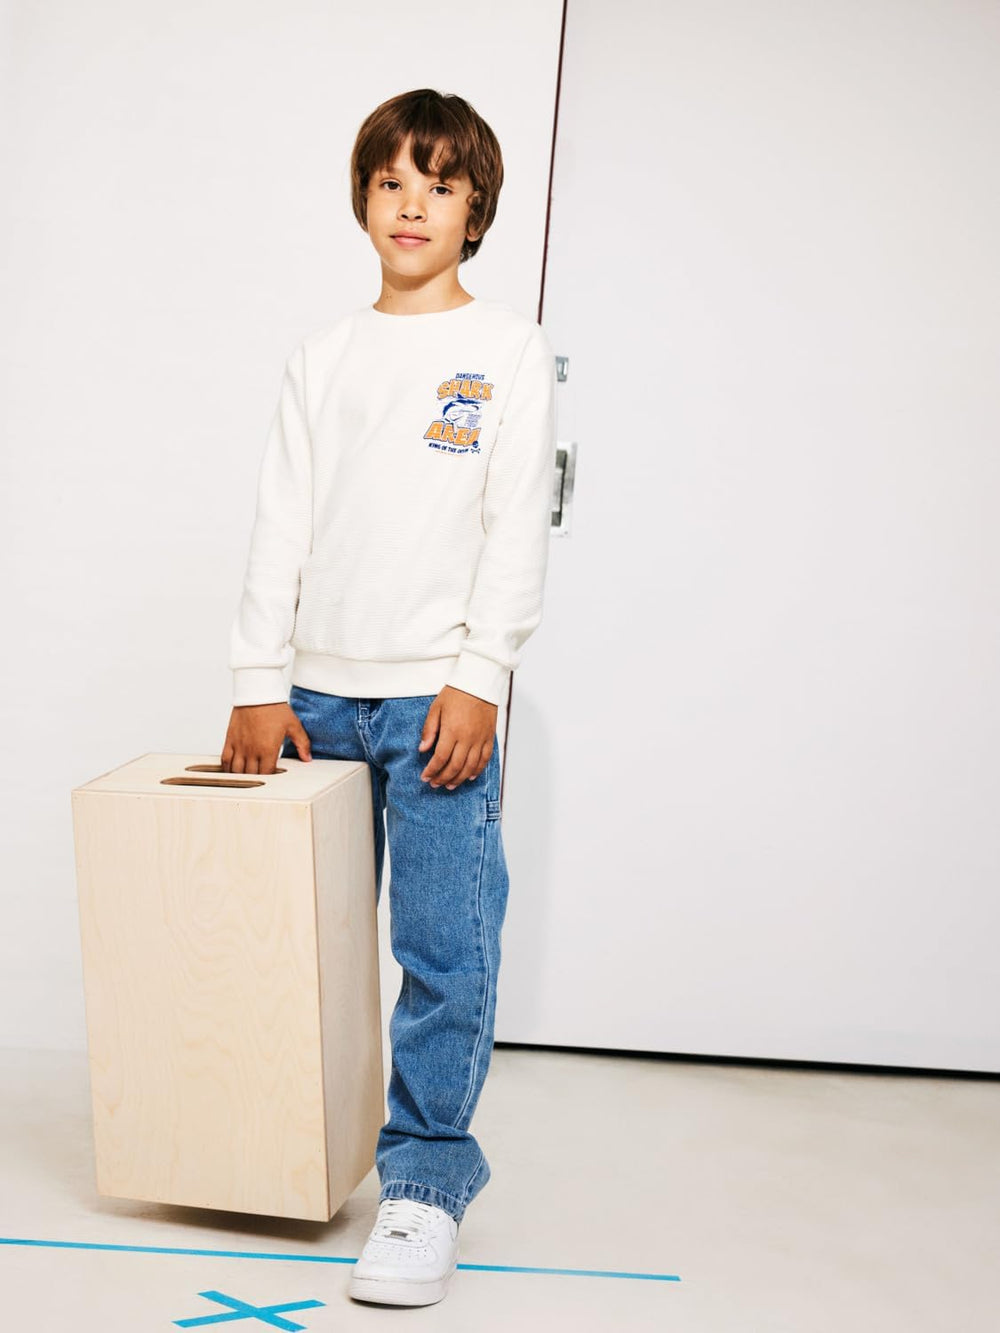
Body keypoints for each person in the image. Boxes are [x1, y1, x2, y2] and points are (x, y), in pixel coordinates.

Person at [220, 88, 557, 1307]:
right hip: (313, 704)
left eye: (440, 185)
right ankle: (284, 1150)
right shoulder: (322, 358)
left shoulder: (507, 350)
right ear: (363, 200)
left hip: (433, 709)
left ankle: (422, 1187)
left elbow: (512, 529)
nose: (412, 204)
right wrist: (258, 681)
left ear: (476, 212)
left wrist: (480, 675)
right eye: (391, 182)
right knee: (294, 947)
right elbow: (280, 526)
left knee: (444, 951)